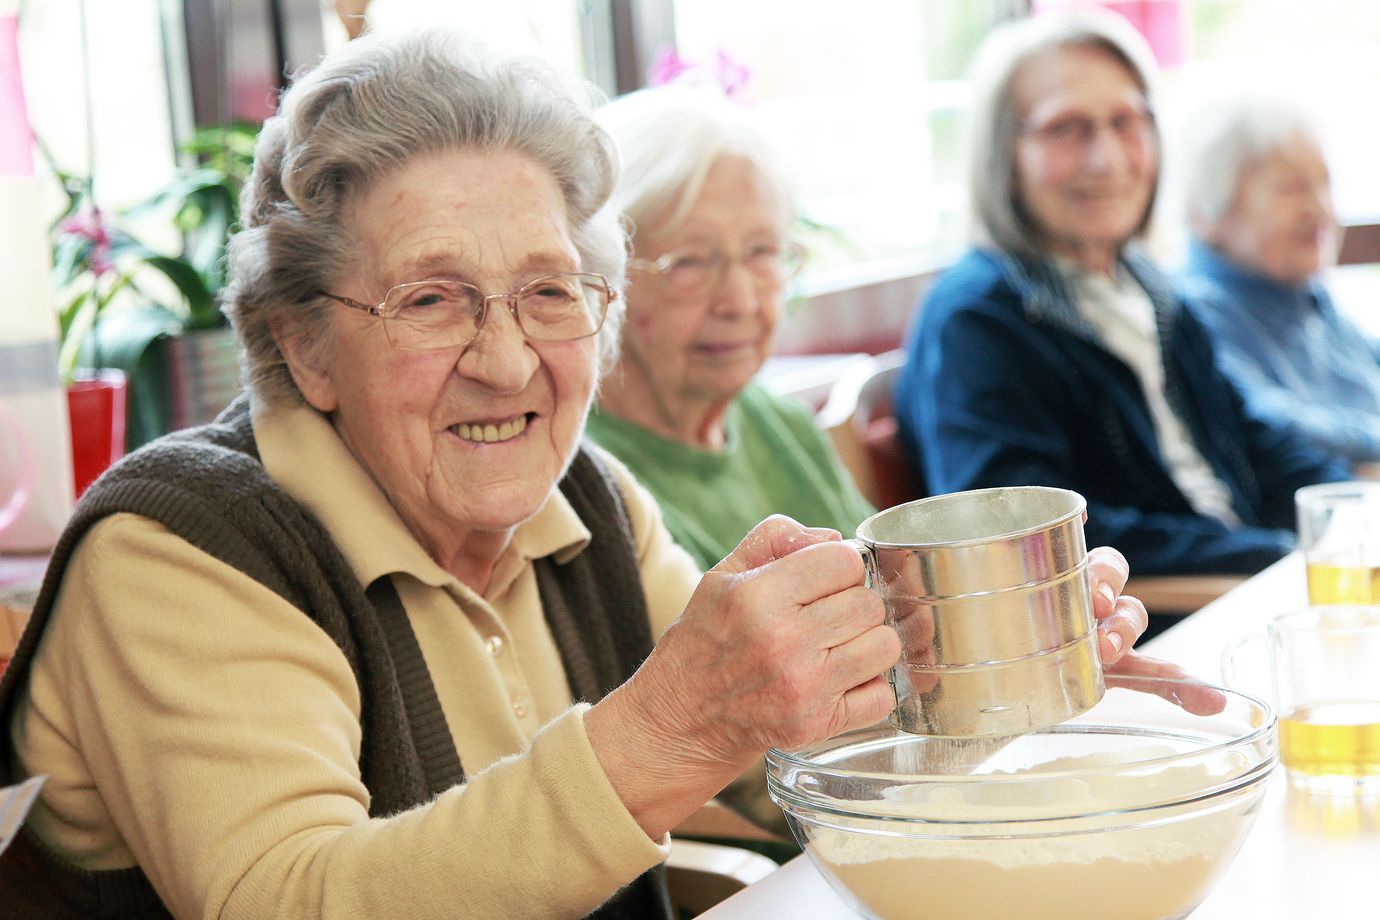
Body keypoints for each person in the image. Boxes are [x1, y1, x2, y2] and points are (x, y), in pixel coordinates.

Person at [0, 29, 1160, 920]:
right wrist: (670, 730)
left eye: (550, 291)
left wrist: (993, 684)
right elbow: (295, 897)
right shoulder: (182, 547)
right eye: (430, 299)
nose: (507, 362)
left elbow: (796, 775)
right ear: (303, 340)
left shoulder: (590, 504)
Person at [893, 10, 1350, 579]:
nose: (1105, 160)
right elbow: (1022, 544)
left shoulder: (1153, 289)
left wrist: (1351, 511)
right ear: (1004, 158)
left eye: (1126, 122)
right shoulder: (977, 320)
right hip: (1140, 630)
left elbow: (1258, 444)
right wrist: (1271, 555)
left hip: (1248, 585)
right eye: (1066, 128)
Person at [584, 86, 875, 570]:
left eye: (761, 252)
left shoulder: (784, 428)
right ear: (605, 279)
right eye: (690, 262)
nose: (739, 302)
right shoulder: (587, 483)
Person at [1178, 95, 1380, 464]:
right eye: (1292, 188)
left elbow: (1362, 365)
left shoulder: (1301, 291)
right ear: (1207, 211)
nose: (1320, 208)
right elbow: (1267, 422)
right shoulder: (1197, 308)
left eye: (1325, 184)